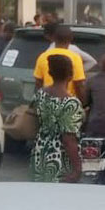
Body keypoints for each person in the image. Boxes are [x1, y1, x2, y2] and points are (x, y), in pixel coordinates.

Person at [30, 54, 83, 183]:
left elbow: (36, 122)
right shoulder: (71, 103)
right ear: (70, 75)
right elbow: (68, 139)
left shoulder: (40, 95)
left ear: (49, 73)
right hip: (60, 159)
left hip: (39, 153)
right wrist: (77, 168)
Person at [34, 25, 87, 104]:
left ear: (54, 39)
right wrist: (83, 104)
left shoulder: (43, 56)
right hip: (68, 103)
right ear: (71, 39)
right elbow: (79, 85)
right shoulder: (75, 58)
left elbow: (38, 83)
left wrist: (38, 102)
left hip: (47, 102)